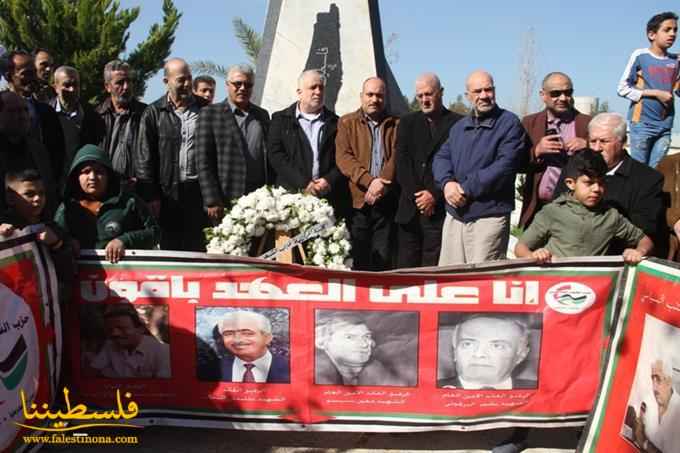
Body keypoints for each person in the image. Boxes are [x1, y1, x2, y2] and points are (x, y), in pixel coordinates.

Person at [432, 70, 527, 265]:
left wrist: (465, 189)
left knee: (483, 281)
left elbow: (505, 166)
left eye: (488, 89)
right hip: (456, 214)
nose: (484, 95)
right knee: (451, 279)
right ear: (468, 95)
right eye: (477, 91)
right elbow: (442, 157)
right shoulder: (460, 127)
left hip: (489, 215)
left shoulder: (509, 123)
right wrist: (448, 184)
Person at [554, 113, 667, 257]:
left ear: (623, 142)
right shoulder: (573, 168)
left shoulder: (647, 179)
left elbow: (645, 231)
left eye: (604, 141)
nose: (596, 148)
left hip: (617, 260)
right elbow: (555, 209)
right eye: (592, 141)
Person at [516, 150, 653, 264]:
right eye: (589, 183)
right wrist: (534, 256)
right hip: (555, 287)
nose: (596, 189)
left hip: (593, 290)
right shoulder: (552, 212)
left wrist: (638, 252)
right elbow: (520, 248)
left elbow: (645, 241)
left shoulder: (610, 215)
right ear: (570, 183)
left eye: (601, 183)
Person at [136, 57, 209, 251]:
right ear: (166, 81)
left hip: (198, 196)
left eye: (189, 78)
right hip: (167, 196)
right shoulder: (153, 113)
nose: (187, 84)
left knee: (199, 250)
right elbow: (145, 158)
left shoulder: (207, 110)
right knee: (171, 249)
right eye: (181, 80)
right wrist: (151, 197)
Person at [395, 73, 463, 268]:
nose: (424, 100)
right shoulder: (407, 123)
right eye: (420, 96)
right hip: (411, 208)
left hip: (440, 209)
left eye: (429, 94)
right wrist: (420, 197)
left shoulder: (458, 123)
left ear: (441, 93)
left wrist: (434, 194)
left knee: (433, 268)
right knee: (406, 268)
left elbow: (458, 165)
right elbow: (402, 163)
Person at [54, 144, 160, 263]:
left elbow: (155, 233)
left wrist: (125, 240)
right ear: (76, 177)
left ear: (109, 176)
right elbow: (55, 236)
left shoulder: (129, 202)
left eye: (99, 172)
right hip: (81, 277)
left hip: (122, 276)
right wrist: (67, 241)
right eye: (86, 172)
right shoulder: (67, 208)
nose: (92, 177)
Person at [335, 77, 399, 270]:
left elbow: (398, 155)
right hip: (358, 202)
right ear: (361, 96)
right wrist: (369, 181)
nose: (374, 99)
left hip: (386, 200)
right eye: (370, 94)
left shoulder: (397, 124)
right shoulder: (347, 122)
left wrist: (382, 183)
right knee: (359, 258)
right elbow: (344, 158)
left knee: (384, 259)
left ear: (385, 98)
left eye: (379, 95)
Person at [268, 69, 348, 219]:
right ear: (299, 92)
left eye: (321, 88)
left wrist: (329, 180)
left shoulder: (336, 123)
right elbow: (276, 156)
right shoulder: (280, 120)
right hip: (289, 200)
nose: (318, 92)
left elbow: (343, 158)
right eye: (313, 87)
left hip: (326, 200)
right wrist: (304, 183)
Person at [196, 64, 270, 226]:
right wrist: (212, 199)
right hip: (225, 199)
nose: (243, 88)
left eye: (248, 85)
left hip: (259, 200)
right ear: (227, 85)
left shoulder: (262, 115)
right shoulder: (210, 113)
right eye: (238, 84)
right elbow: (203, 161)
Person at [520, 72, 591, 228]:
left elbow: (606, 161)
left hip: (577, 211)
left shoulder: (587, 123)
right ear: (543, 95)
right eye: (555, 93)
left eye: (568, 92)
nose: (563, 98)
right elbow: (516, 163)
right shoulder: (529, 123)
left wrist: (588, 146)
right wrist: (536, 151)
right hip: (538, 208)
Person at [618, 11, 680, 168]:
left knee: (655, 172)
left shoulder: (676, 61)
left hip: (665, 125)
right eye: (667, 29)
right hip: (642, 123)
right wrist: (655, 94)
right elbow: (622, 88)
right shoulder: (641, 56)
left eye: (675, 30)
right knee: (638, 170)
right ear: (652, 34)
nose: (672, 34)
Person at [6, 51, 65, 184]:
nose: (33, 78)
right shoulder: (1, 110)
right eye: (26, 73)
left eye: (33, 72)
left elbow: (57, 155)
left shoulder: (47, 112)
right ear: (9, 76)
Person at [438, 314, 536, 390]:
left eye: (497, 346)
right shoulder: (428, 391)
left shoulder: (540, 393)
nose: (479, 354)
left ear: (521, 355)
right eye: (468, 344)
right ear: (455, 351)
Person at [0, 91, 58, 216]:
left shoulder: (38, 149)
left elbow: (49, 189)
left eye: (25, 110)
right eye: (12, 111)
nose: (22, 116)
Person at [315, 312, 411, 386]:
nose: (365, 344)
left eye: (366, 336)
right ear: (321, 342)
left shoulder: (374, 368)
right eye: (350, 337)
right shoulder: (316, 373)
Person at [95, 60, 148, 187]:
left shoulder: (146, 114)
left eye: (129, 81)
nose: (126, 87)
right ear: (107, 87)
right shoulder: (96, 116)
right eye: (120, 82)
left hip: (138, 191)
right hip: (105, 190)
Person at [84, 305, 171, 379]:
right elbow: (92, 371)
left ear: (140, 329)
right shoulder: (110, 345)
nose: (114, 333)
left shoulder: (163, 351)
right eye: (110, 329)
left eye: (122, 328)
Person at [49, 66, 103, 179]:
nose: (72, 90)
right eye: (67, 85)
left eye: (75, 85)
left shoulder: (92, 116)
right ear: (55, 87)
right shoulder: (46, 114)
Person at [217, 310, 289, 383]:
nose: (237, 340)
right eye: (229, 334)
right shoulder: (213, 369)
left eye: (247, 333)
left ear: (267, 338)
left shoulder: (292, 368)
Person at [632, 357, 680, 453]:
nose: (654, 387)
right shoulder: (648, 400)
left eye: (658, 379)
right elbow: (638, 428)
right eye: (652, 379)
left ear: (669, 382)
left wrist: (644, 443)